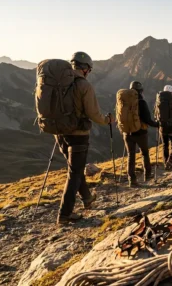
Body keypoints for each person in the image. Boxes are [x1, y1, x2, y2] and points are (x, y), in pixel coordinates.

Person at [56, 52, 114, 224]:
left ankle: (87, 198)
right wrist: (107, 120)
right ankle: (64, 214)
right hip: (78, 135)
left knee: (75, 168)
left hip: (59, 133)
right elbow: (93, 113)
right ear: (86, 68)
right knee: (74, 173)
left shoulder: (59, 82)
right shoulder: (83, 85)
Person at [122, 81, 159, 187]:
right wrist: (157, 124)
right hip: (140, 133)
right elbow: (147, 119)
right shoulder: (141, 102)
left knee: (131, 155)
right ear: (140, 91)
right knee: (144, 153)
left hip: (127, 133)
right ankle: (147, 175)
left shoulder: (124, 101)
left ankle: (132, 180)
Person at [154, 85, 172, 170]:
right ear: (171, 93)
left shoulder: (158, 101)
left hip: (162, 128)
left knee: (165, 145)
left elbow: (155, 114)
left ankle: (165, 162)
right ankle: (170, 160)